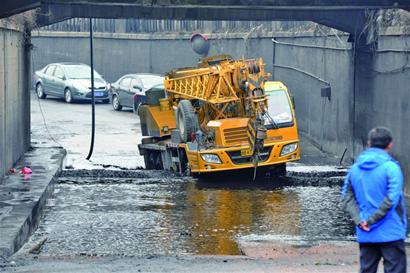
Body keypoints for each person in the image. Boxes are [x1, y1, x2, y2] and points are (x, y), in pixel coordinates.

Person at [341, 127, 407, 273]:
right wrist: (372, 220)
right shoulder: (391, 168)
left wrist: (360, 220)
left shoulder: (354, 169)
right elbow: (392, 199)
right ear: (390, 144)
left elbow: (346, 198)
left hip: (366, 233)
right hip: (391, 231)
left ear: (369, 144)